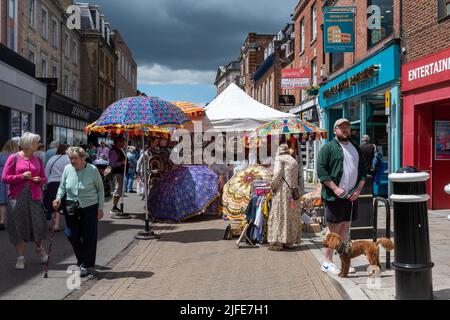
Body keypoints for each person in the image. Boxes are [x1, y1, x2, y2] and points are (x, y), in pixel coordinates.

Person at [317, 119, 367, 275]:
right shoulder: (328, 148)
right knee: (333, 231)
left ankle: (344, 262)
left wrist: (358, 190)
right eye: (342, 127)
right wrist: (335, 188)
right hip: (334, 197)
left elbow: (363, 172)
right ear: (334, 130)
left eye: (348, 127)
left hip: (351, 197)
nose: (345, 130)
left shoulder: (356, 148)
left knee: (345, 231)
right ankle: (327, 262)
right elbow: (322, 171)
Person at [53, 147, 104, 277]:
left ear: (83, 158)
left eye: (75, 158)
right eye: (71, 158)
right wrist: (58, 198)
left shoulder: (92, 170)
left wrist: (100, 207)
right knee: (71, 234)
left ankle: (85, 264)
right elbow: (62, 186)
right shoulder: (67, 169)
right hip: (71, 204)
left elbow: (100, 189)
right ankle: (83, 259)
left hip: (90, 206)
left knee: (89, 235)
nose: (72, 161)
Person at [1, 132, 48, 270]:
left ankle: (39, 248)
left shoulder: (38, 159)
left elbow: (44, 178)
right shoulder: (13, 158)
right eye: (36, 142)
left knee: (38, 225)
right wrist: (21, 176)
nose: (38, 145)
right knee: (18, 227)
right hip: (17, 197)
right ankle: (20, 257)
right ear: (28, 144)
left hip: (34, 196)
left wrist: (40, 180)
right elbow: (5, 178)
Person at [267, 144, 301, 251]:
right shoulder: (293, 160)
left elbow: (277, 175)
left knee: (280, 215)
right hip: (293, 191)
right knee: (290, 216)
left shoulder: (280, 159)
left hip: (283, 191)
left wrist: (272, 187)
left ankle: (278, 243)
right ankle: (289, 241)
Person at [44, 144, 70, 232]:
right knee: (68, 204)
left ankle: (55, 224)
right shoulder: (68, 159)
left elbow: (46, 172)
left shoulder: (52, 158)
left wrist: (46, 183)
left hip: (52, 183)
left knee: (55, 204)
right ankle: (70, 224)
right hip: (65, 183)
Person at [0, 140, 20, 231]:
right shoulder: (15, 157)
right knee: (13, 201)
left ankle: (2, 221)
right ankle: (15, 222)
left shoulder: (0, 155)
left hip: (1, 179)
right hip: (12, 179)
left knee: (2, 202)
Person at [109, 136, 128, 217]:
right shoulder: (114, 151)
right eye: (122, 142)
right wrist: (122, 163)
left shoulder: (119, 150)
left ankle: (115, 207)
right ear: (118, 142)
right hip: (117, 173)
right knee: (117, 190)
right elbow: (113, 164)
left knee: (119, 190)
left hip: (120, 173)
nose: (124, 144)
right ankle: (113, 208)